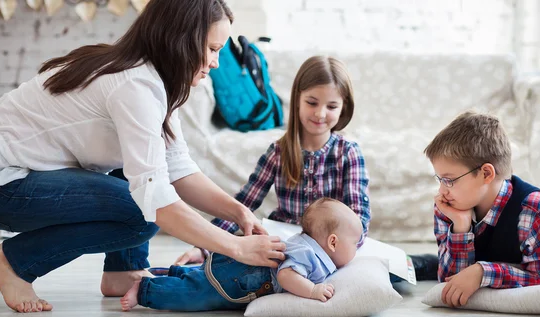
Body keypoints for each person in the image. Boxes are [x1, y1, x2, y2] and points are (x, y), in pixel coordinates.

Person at [0, 0, 285, 313]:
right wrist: (237, 247)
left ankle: (123, 270)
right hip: (1, 183)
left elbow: (177, 169)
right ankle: (11, 262)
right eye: (212, 49)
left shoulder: (155, 80)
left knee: (140, 176)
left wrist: (239, 213)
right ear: (180, 39)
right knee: (141, 215)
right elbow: (157, 200)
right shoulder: (135, 84)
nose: (216, 63)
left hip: (20, 176)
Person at [173, 55, 438, 279]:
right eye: (312, 102)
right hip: (287, 242)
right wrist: (204, 247)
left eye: (331, 106)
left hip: (333, 249)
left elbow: (359, 215)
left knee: (382, 274)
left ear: (343, 108)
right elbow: (244, 204)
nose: (320, 114)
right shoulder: (278, 151)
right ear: (297, 99)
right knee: (236, 270)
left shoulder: (348, 153)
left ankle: (422, 264)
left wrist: (342, 250)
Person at [424, 111, 540, 308]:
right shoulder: (450, 205)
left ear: (486, 173)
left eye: (449, 180)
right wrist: (461, 227)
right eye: (440, 179)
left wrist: (483, 272)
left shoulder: (536, 208)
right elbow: (452, 284)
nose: (441, 190)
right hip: (511, 254)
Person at [121, 198, 361, 311]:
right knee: (196, 294)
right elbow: (287, 276)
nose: (358, 248)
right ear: (333, 242)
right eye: (355, 243)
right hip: (240, 280)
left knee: (202, 280)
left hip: (240, 272)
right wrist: (312, 291)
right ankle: (145, 290)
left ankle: (171, 273)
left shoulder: (308, 244)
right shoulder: (309, 254)